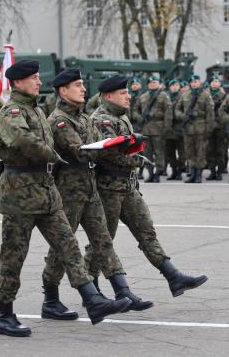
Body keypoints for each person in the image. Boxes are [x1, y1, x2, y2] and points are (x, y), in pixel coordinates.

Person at [0, 60, 131, 337]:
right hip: (20, 194)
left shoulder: (37, 110)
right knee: (13, 256)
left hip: (46, 190)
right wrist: (53, 155)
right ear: (18, 83)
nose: (39, 81)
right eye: (33, 78)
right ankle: (4, 315)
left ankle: (91, 300)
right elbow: (21, 140)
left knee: (68, 245)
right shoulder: (12, 111)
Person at [42, 69, 152, 320]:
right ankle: (50, 299)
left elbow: (95, 147)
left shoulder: (81, 119)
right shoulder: (59, 121)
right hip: (69, 192)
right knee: (62, 248)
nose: (83, 89)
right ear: (63, 91)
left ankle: (123, 292)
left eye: (82, 84)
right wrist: (115, 146)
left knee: (103, 241)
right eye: (78, 85)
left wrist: (119, 146)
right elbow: (80, 152)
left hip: (90, 189)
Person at [87, 75, 208, 297]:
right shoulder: (101, 119)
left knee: (147, 233)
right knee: (102, 240)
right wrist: (137, 159)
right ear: (108, 96)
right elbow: (108, 153)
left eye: (127, 92)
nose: (128, 96)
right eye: (122, 93)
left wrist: (134, 155)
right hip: (108, 189)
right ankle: (92, 291)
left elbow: (126, 148)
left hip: (128, 187)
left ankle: (174, 277)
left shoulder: (121, 118)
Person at [175, 74, 214, 183]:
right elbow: (177, 110)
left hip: (201, 128)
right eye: (192, 82)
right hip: (188, 129)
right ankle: (192, 173)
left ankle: (198, 175)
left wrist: (209, 129)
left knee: (200, 152)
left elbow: (210, 114)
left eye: (196, 81)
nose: (194, 83)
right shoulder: (185, 95)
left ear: (199, 82)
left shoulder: (206, 95)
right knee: (189, 152)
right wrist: (183, 116)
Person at [135, 75, 172, 182]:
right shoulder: (143, 96)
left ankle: (158, 173)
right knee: (147, 152)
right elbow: (135, 110)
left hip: (159, 128)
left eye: (155, 82)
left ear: (159, 84)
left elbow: (168, 113)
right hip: (146, 128)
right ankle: (150, 173)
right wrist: (140, 117)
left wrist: (166, 127)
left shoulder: (164, 96)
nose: (152, 84)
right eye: (150, 83)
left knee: (159, 152)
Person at [205, 75, 228, 180]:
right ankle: (212, 170)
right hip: (209, 126)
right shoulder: (205, 95)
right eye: (213, 81)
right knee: (209, 150)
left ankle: (220, 171)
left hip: (220, 126)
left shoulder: (224, 95)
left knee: (220, 150)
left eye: (217, 81)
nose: (215, 83)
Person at [165, 78, 185, 180]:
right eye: (173, 85)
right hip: (168, 129)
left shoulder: (184, 97)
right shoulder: (165, 97)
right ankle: (174, 171)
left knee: (182, 153)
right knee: (170, 153)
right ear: (170, 87)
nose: (175, 87)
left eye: (177, 85)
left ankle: (180, 171)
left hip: (179, 129)